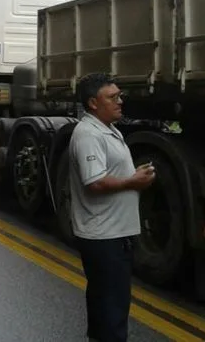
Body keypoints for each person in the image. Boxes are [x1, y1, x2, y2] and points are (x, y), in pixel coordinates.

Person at [69, 72, 156, 342]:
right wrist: (133, 181)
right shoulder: (88, 135)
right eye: (113, 97)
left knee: (105, 306)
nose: (120, 102)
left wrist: (132, 176)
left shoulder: (107, 129)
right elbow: (94, 182)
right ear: (93, 103)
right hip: (105, 237)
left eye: (120, 96)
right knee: (112, 312)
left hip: (112, 234)